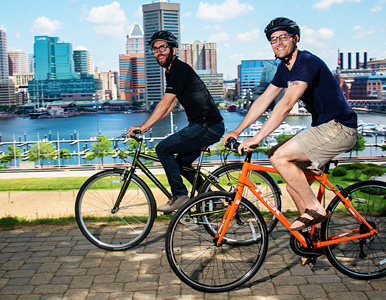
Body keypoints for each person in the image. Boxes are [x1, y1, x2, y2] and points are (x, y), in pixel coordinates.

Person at [223, 17, 357, 239]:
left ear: (296, 38)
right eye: (273, 39)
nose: (278, 43)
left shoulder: (306, 62)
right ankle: (313, 238)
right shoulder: (285, 68)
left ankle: (315, 208)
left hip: (339, 128)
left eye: (283, 37)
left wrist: (256, 137)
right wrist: (238, 130)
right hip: (324, 130)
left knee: (278, 157)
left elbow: (286, 104)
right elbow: (264, 100)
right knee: (294, 186)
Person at [127, 30, 224, 214]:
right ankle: (213, 199)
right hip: (205, 126)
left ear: (174, 49)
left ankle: (180, 196)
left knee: (162, 149)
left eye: (163, 47)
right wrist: (148, 126)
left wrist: (143, 127)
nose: (159, 52)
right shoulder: (171, 71)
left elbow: (164, 103)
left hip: (206, 125)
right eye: (155, 49)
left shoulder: (179, 68)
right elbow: (170, 105)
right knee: (181, 163)